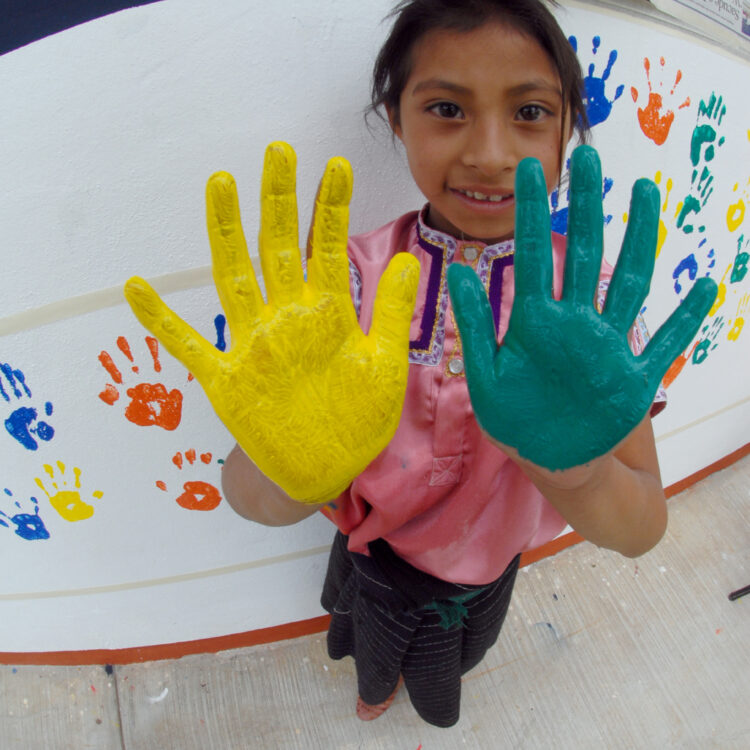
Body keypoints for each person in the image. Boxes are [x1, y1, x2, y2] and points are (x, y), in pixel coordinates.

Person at [124, 0, 717, 729]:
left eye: (530, 111)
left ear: (570, 131)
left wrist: (578, 472)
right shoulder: (345, 287)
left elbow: (641, 528)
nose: (491, 152)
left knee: (444, 680)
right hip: (369, 552)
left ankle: (412, 698)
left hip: (485, 572)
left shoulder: (589, 316)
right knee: (364, 646)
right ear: (397, 118)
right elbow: (249, 497)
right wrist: (294, 475)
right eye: (446, 107)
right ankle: (373, 694)